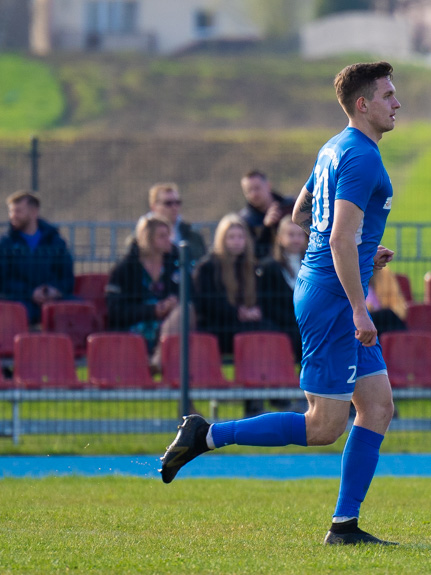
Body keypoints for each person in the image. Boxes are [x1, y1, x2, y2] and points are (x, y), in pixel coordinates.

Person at [161, 61, 402, 546]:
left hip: (329, 285)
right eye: (389, 94)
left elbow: (299, 211)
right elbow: (336, 237)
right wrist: (358, 304)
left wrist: (355, 253)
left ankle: (344, 527)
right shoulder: (362, 157)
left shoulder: (334, 146)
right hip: (335, 298)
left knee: (376, 406)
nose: (397, 102)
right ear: (363, 103)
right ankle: (207, 433)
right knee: (323, 426)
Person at [192, 213, 276, 355]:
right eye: (231, 237)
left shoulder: (251, 267)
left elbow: (261, 297)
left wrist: (254, 311)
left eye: (240, 237)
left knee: (272, 330)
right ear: (222, 239)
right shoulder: (207, 267)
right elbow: (207, 304)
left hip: (246, 323)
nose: (236, 242)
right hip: (218, 326)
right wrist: (238, 313)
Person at [0, 191, 74, 323]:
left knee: (77, 308)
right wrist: (30, 292)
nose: (13, 216)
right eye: (11, 211)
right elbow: (0, 281)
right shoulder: (4, 245)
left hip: (53, 301)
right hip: (19, 300)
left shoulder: (55, 242)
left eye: (18, 211)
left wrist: (54, 290)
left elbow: (66, 276)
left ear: (34, 211)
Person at [106, 216, 183, 355]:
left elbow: (192, 295)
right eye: (162, 236)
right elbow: (115, 311)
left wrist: (174, 302)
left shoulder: (175, 265)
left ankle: (158, 360)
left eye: (168, 235)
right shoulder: (124, 270)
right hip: (134, 327)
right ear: (148, 238)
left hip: (169, 324)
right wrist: (152, 310)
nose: (168, 240)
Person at [257, 215, 306, 361]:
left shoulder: (313, 265)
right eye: (291, 235)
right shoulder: (268, 268)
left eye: (299, 235)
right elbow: (268, 305)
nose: (296, 239)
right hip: (282, 326)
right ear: (280, 237)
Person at [131, 183, 207, 268]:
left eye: (177, 202)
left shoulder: (194, 236)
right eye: (168, 203)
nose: (174, 207)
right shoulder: (138, 239)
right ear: (154, 207)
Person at [239, 169, 296, 259]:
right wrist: (266, 227)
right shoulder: (244, 220)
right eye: (249, 191)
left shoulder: (291, 207)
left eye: (257, 188)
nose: (254, 194)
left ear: (268, 186)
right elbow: (250, 253)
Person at [366, 265, 408, 334]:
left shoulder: (384, 273)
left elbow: (397, 305)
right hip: (365, 318)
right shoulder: (353, 276)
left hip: (383, 319)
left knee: (388, 315)